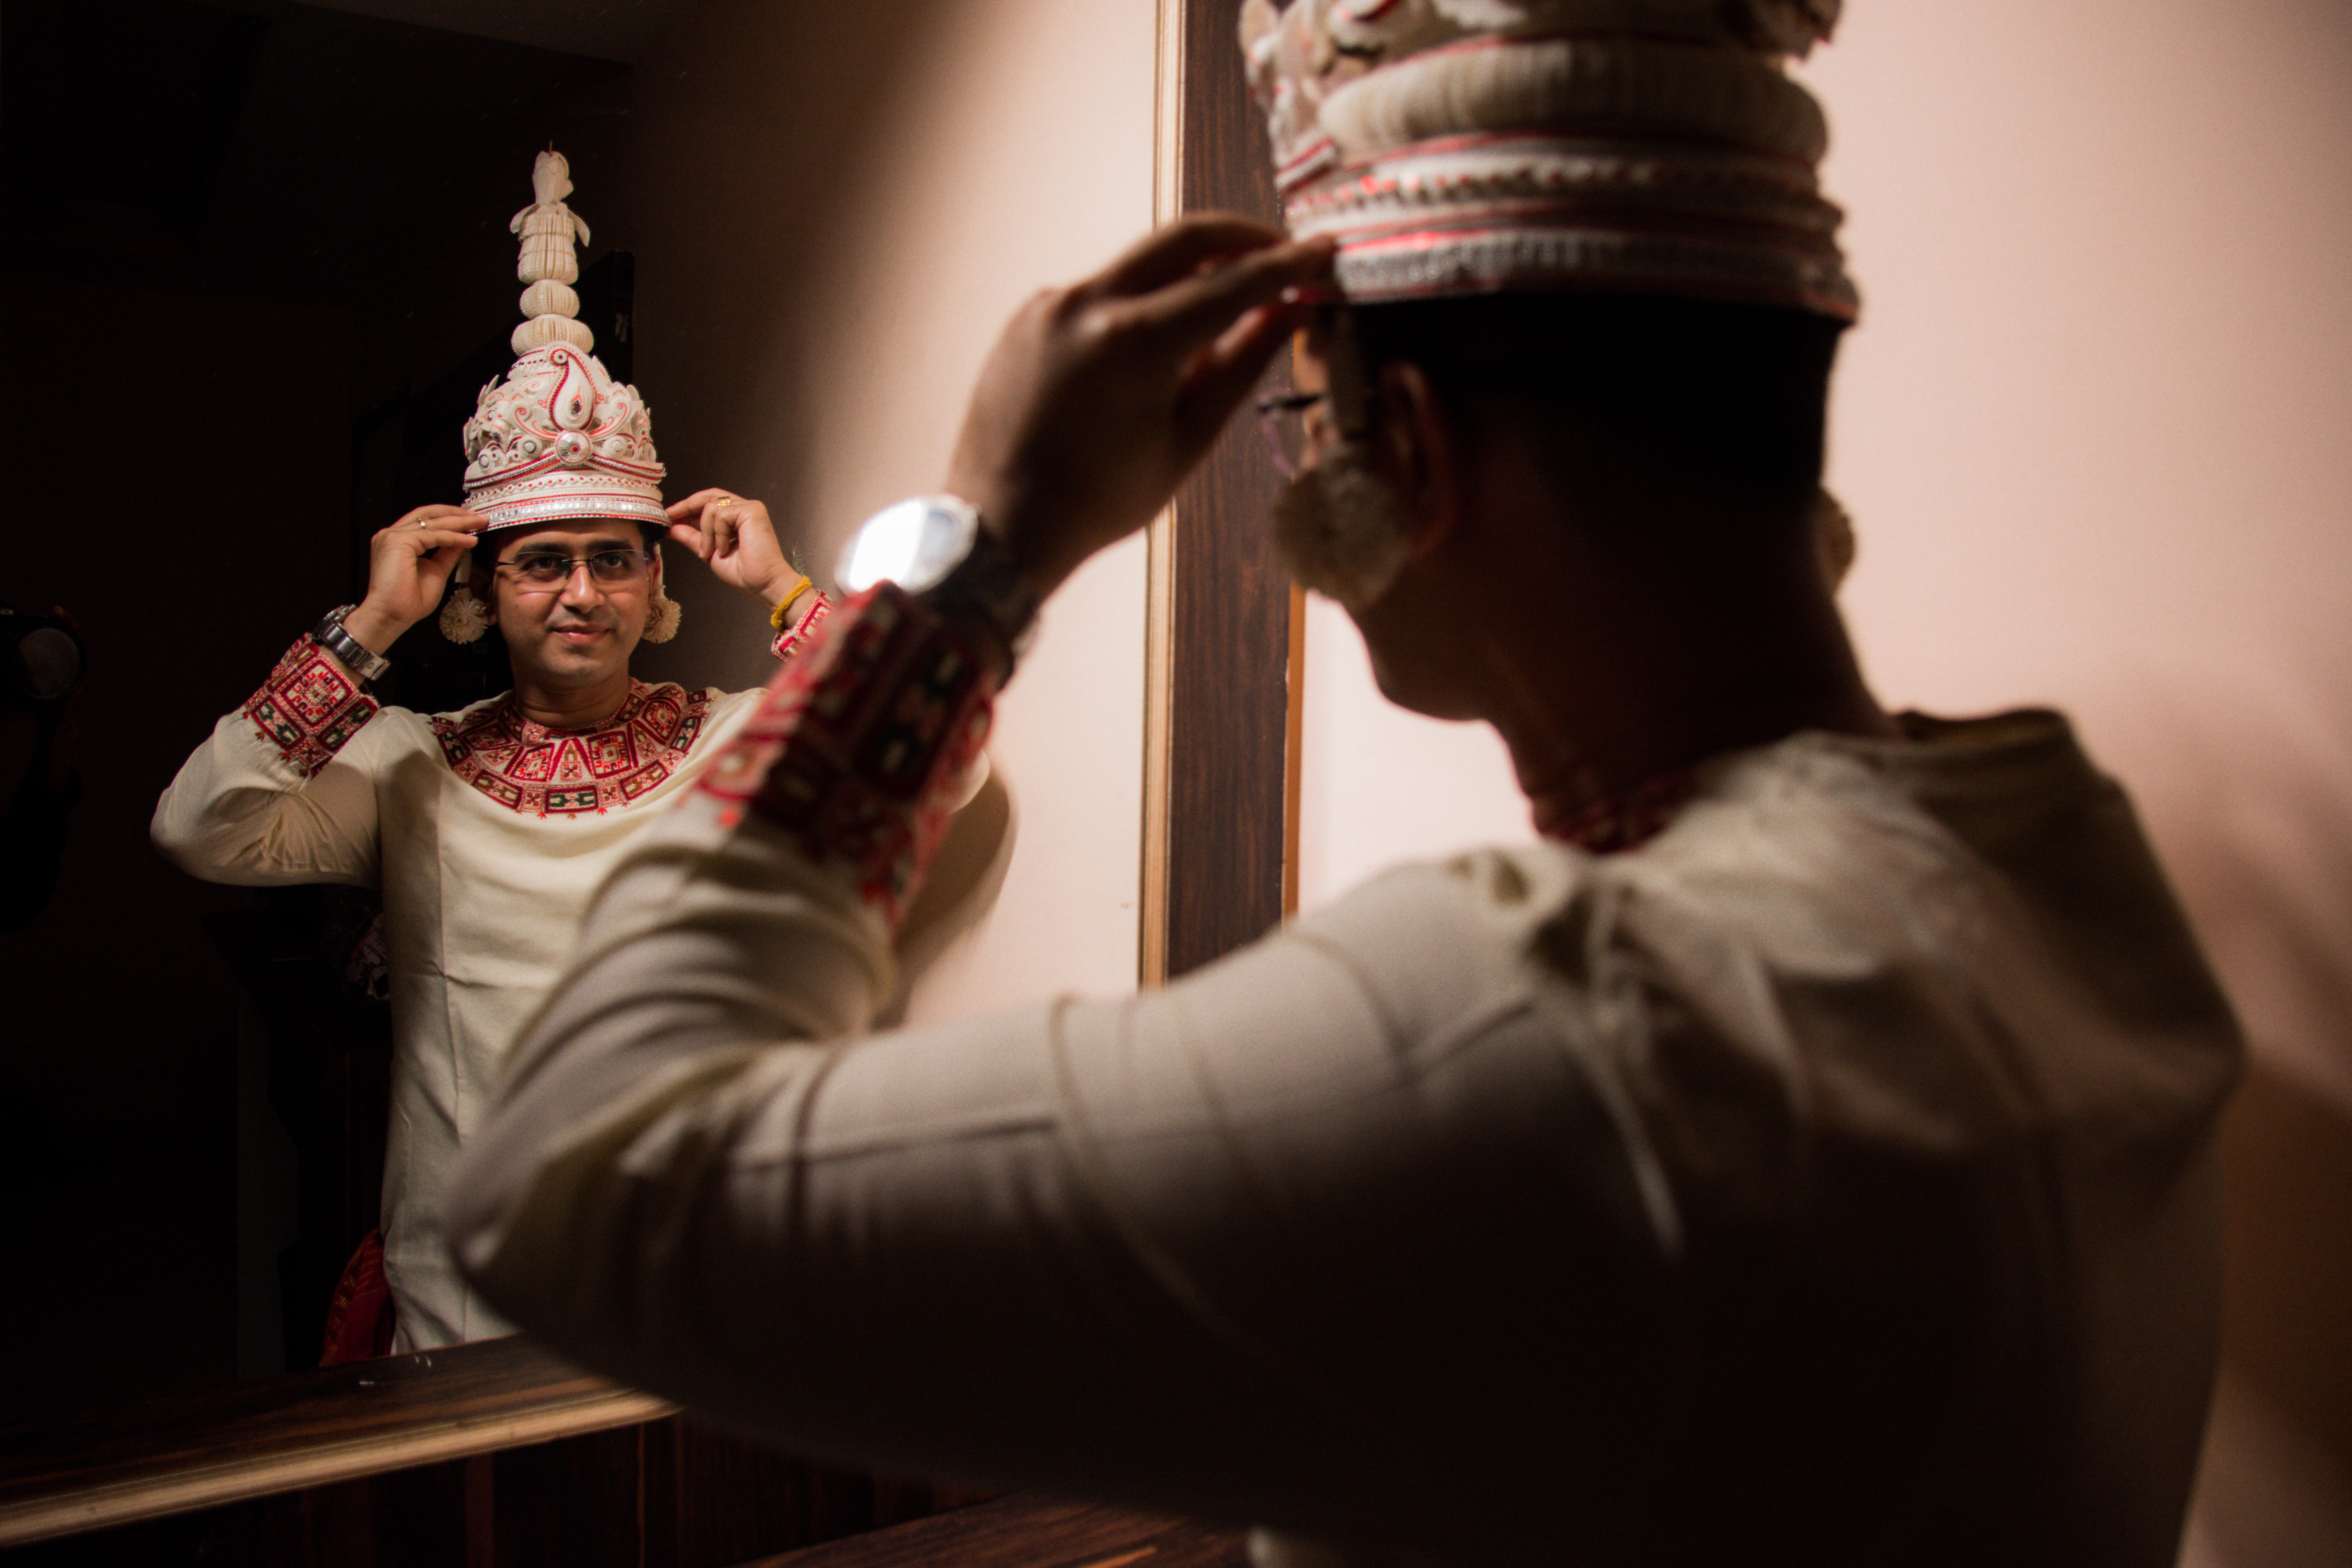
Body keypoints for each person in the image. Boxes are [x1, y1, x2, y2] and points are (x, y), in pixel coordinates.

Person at [447, 8, 2240, 1566]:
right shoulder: (2065, 854)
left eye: (1303, 424)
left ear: (1420, 463)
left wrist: (976, 561)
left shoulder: (1566, 1036)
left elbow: (568, 1183)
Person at [153, 152, 1002, 1356]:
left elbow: (949, 760)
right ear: (483, 593)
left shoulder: (728, 741)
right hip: (467, 1288)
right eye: (542, 563)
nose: (581, 595)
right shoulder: (407, 762)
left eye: (615, 558)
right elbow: (197, 830)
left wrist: (785, 589)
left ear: (657, 580)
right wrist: (372, 625)